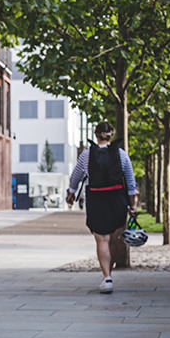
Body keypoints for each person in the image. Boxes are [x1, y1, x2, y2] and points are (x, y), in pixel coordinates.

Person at [66, 121, 138, 294]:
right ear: (111, 135)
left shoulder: (86, 155)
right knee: (114, 240)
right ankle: (109, 273)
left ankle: (106, 277)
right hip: (117, 199)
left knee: (102, 240)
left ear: (95, 134)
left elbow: (75, 177)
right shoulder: (121, 155)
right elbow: (130, 182)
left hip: (96, 199)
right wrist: (133, 206)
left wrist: (71, 192)